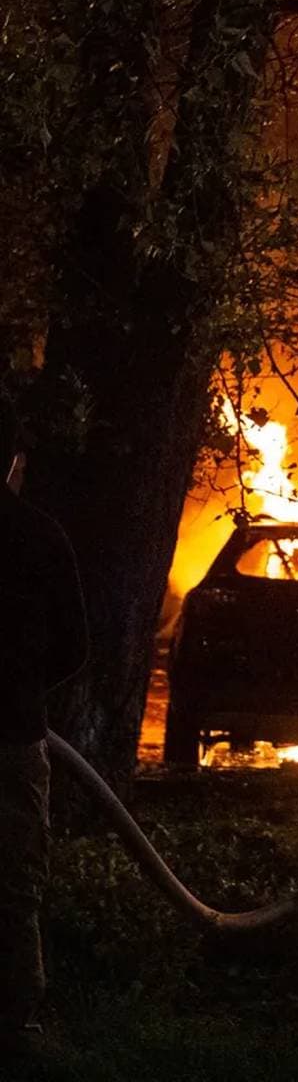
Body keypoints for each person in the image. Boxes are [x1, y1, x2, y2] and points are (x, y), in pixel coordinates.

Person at [0, 397, 87, 1046]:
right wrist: (24, 690)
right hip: (13, 735)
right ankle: (16, 1019)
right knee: (15, 879)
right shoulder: (39, 534)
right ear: (14, 463)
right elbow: (75, 647)